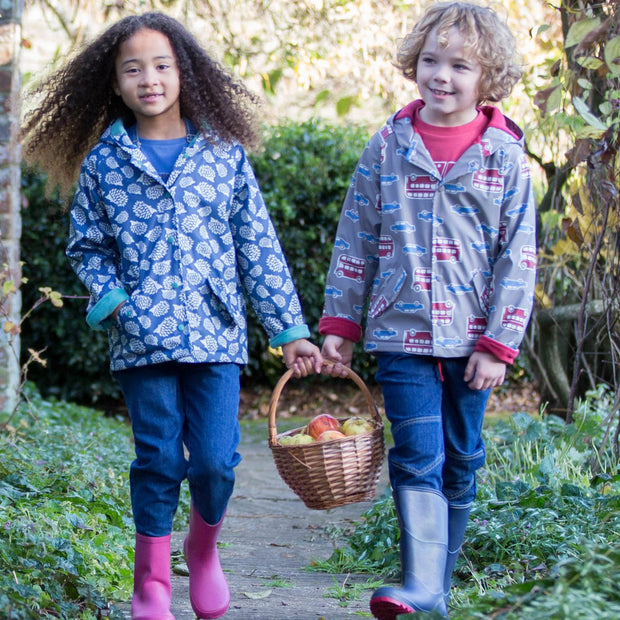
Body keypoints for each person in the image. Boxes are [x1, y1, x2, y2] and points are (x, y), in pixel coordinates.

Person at [20, 12, 322, 620]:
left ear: (186, 73)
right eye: (133, 69)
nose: (149, 79)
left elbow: (256, 244)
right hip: (141, 339)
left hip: (215, 335)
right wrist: (115, 303)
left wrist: (289, 330)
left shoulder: (222, 153)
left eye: (162, 66)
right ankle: (152, 582)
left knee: (215, 461)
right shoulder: (105, 161)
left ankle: (203, 553)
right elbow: (86, 245)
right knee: (158, 458)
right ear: (113, 82)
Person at [319, 2, 536, 618]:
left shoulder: (503, 157)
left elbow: (518, 256)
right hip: (400, 331)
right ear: (414, 65)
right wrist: (341, 325)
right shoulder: (388, 146)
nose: (441, 75)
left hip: (474, 343)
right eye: (430, 61)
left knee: (462, 456)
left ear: (487, 77)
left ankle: (437, 587)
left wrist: (499, 344)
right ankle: (419, 585)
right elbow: (355, 237)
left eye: (460, 65)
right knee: (417, 455)